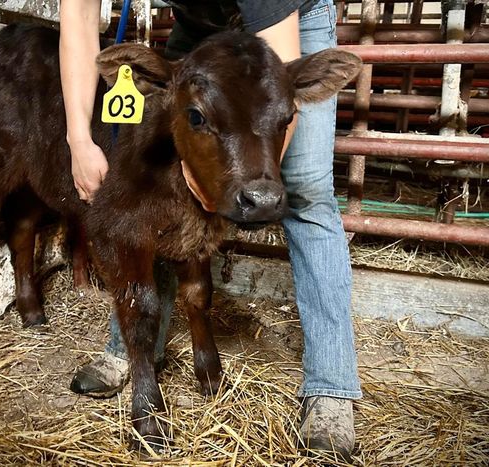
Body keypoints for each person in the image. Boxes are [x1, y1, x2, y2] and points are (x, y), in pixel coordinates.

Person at [59, 0, 361, 457]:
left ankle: (331, 387)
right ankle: (128, 349)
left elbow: (271, 97)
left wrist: (251, 185)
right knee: (148, 179)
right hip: (198, 28)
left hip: (283, 26)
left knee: (306, 189)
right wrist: (78, 139)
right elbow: (78, 20)